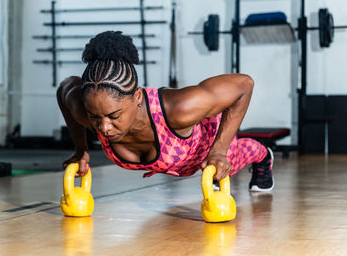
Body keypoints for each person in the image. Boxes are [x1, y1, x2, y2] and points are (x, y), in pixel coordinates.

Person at [57, 31, 274, 192]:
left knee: (234, 159)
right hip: (173, 158)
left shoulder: (178, 109)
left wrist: (219, 151)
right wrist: (80, 150)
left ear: (138, 97)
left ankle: (265, 156)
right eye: (95, 117)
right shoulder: (87, 110)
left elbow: (244, 84)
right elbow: (64, 89)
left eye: (114, 116)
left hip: (204, 143)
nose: (104, 128)